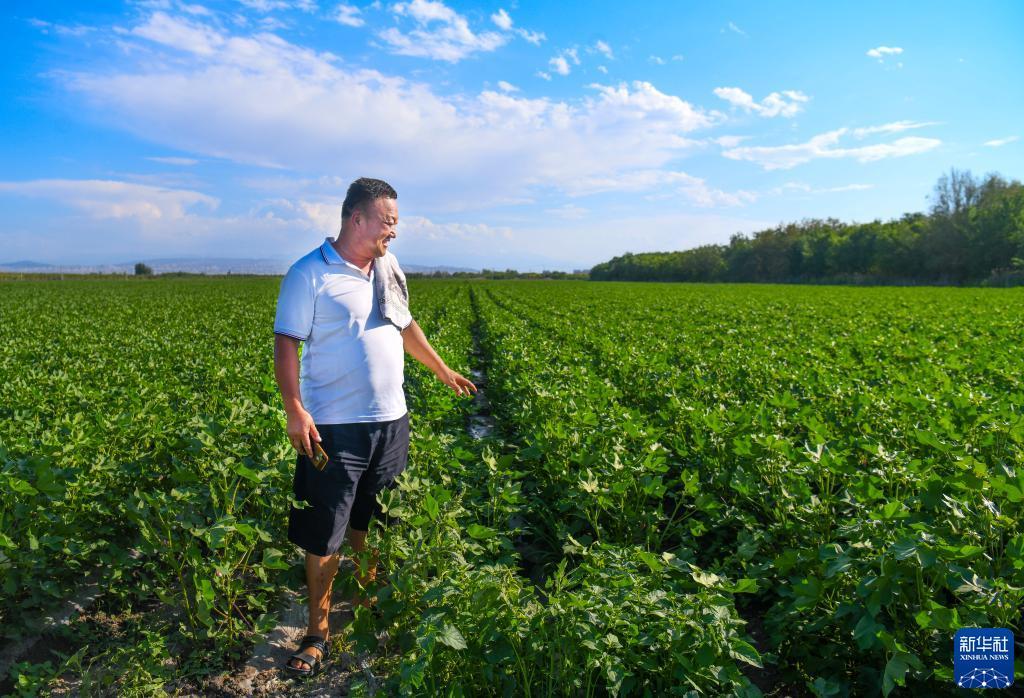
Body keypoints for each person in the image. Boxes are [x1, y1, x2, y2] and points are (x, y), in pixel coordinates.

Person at [272, 177, 476, 676]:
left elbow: (405, 325)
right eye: (388, 222)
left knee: (371, 520)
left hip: (391, 421)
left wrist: (442, 369)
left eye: (396, 223)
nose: (394, 232)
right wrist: (295, 408)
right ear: (356, 219)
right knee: (326, 533)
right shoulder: (309, 274)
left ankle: (365, 606)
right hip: (335, 428)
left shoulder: (387, 268)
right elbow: (286, 343)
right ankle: (318, 633)